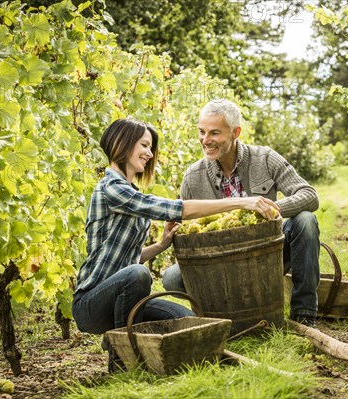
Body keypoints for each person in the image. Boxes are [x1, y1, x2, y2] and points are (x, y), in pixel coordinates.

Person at [72, 117, 279, 372]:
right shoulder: (112, 188)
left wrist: (161, 245)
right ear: (121, 143)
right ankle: (122, 363)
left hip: (121, 298)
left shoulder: (129, 189)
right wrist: (241, 201)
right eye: (144, 145)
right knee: (139, 274)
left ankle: (164, 361)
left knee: (187, 320)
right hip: (90, 304)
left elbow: (126, 260)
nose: (149, 153)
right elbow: (175, 209)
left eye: (151, 147)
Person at [162, 99, 320, 327]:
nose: (205, 140)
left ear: (236, 132)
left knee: (305, 220)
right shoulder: (192, 177)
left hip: (267, 255)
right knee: (172, 277)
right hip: (220, 264)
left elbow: (309, 194)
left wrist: (272, 210)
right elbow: (186, 224)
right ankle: (219, 317)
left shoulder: (265, 158)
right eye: (202, 132)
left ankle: (304, 314)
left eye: (214, 133)